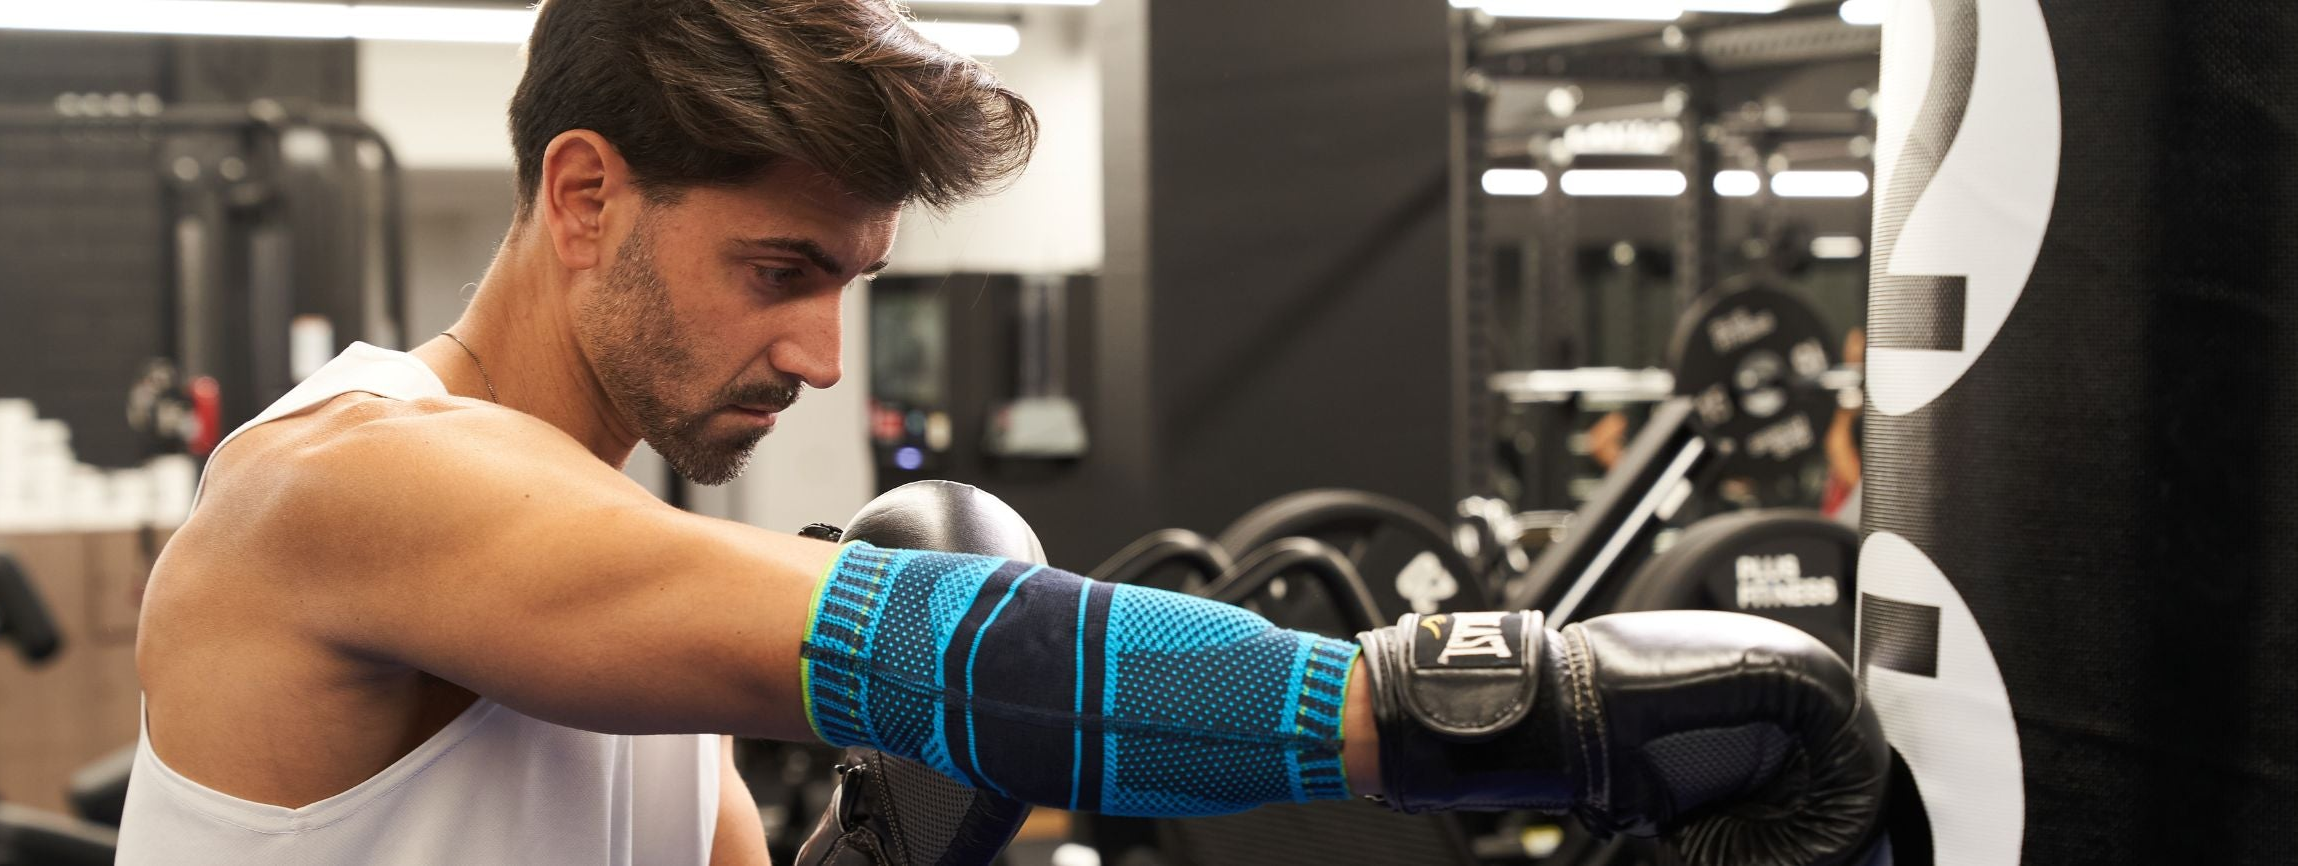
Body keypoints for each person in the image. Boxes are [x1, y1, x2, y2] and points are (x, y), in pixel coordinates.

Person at [119, 1, 1887, 864]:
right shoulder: (344, 478)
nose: (822, 351)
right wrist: (1517, 707)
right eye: (779, 267)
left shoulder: (596, 589)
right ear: (584, 195)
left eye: (856, 280)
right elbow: (938, 650)